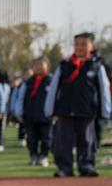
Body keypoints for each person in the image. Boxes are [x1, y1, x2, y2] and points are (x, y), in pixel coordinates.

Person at [44, 32, 111, 177]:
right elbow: (54, 88)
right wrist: (50, 109)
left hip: (86, 110)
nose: (80, 47)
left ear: (92, 46)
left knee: (86, 140)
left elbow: (104, 89)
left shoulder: (96, 66)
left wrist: (105, 110)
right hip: (65, 110)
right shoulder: (65, 66)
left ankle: (86, 165)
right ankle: (65, 167)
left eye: (84, 44)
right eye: (77, 44)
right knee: (63, 141)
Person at [12, 57, 54, 167]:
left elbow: (56, 97)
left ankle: (44, 156)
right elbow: (20, 98)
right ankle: (33, 156)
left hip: (46, 116)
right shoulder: (28, 83)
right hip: (30, 115)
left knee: (46, 139)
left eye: (41, 64)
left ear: (47, 67)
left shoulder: (51, 81)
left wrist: (54, 112)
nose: (38, 67)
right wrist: (19, 112)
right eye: (36, 65)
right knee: (31, 139)